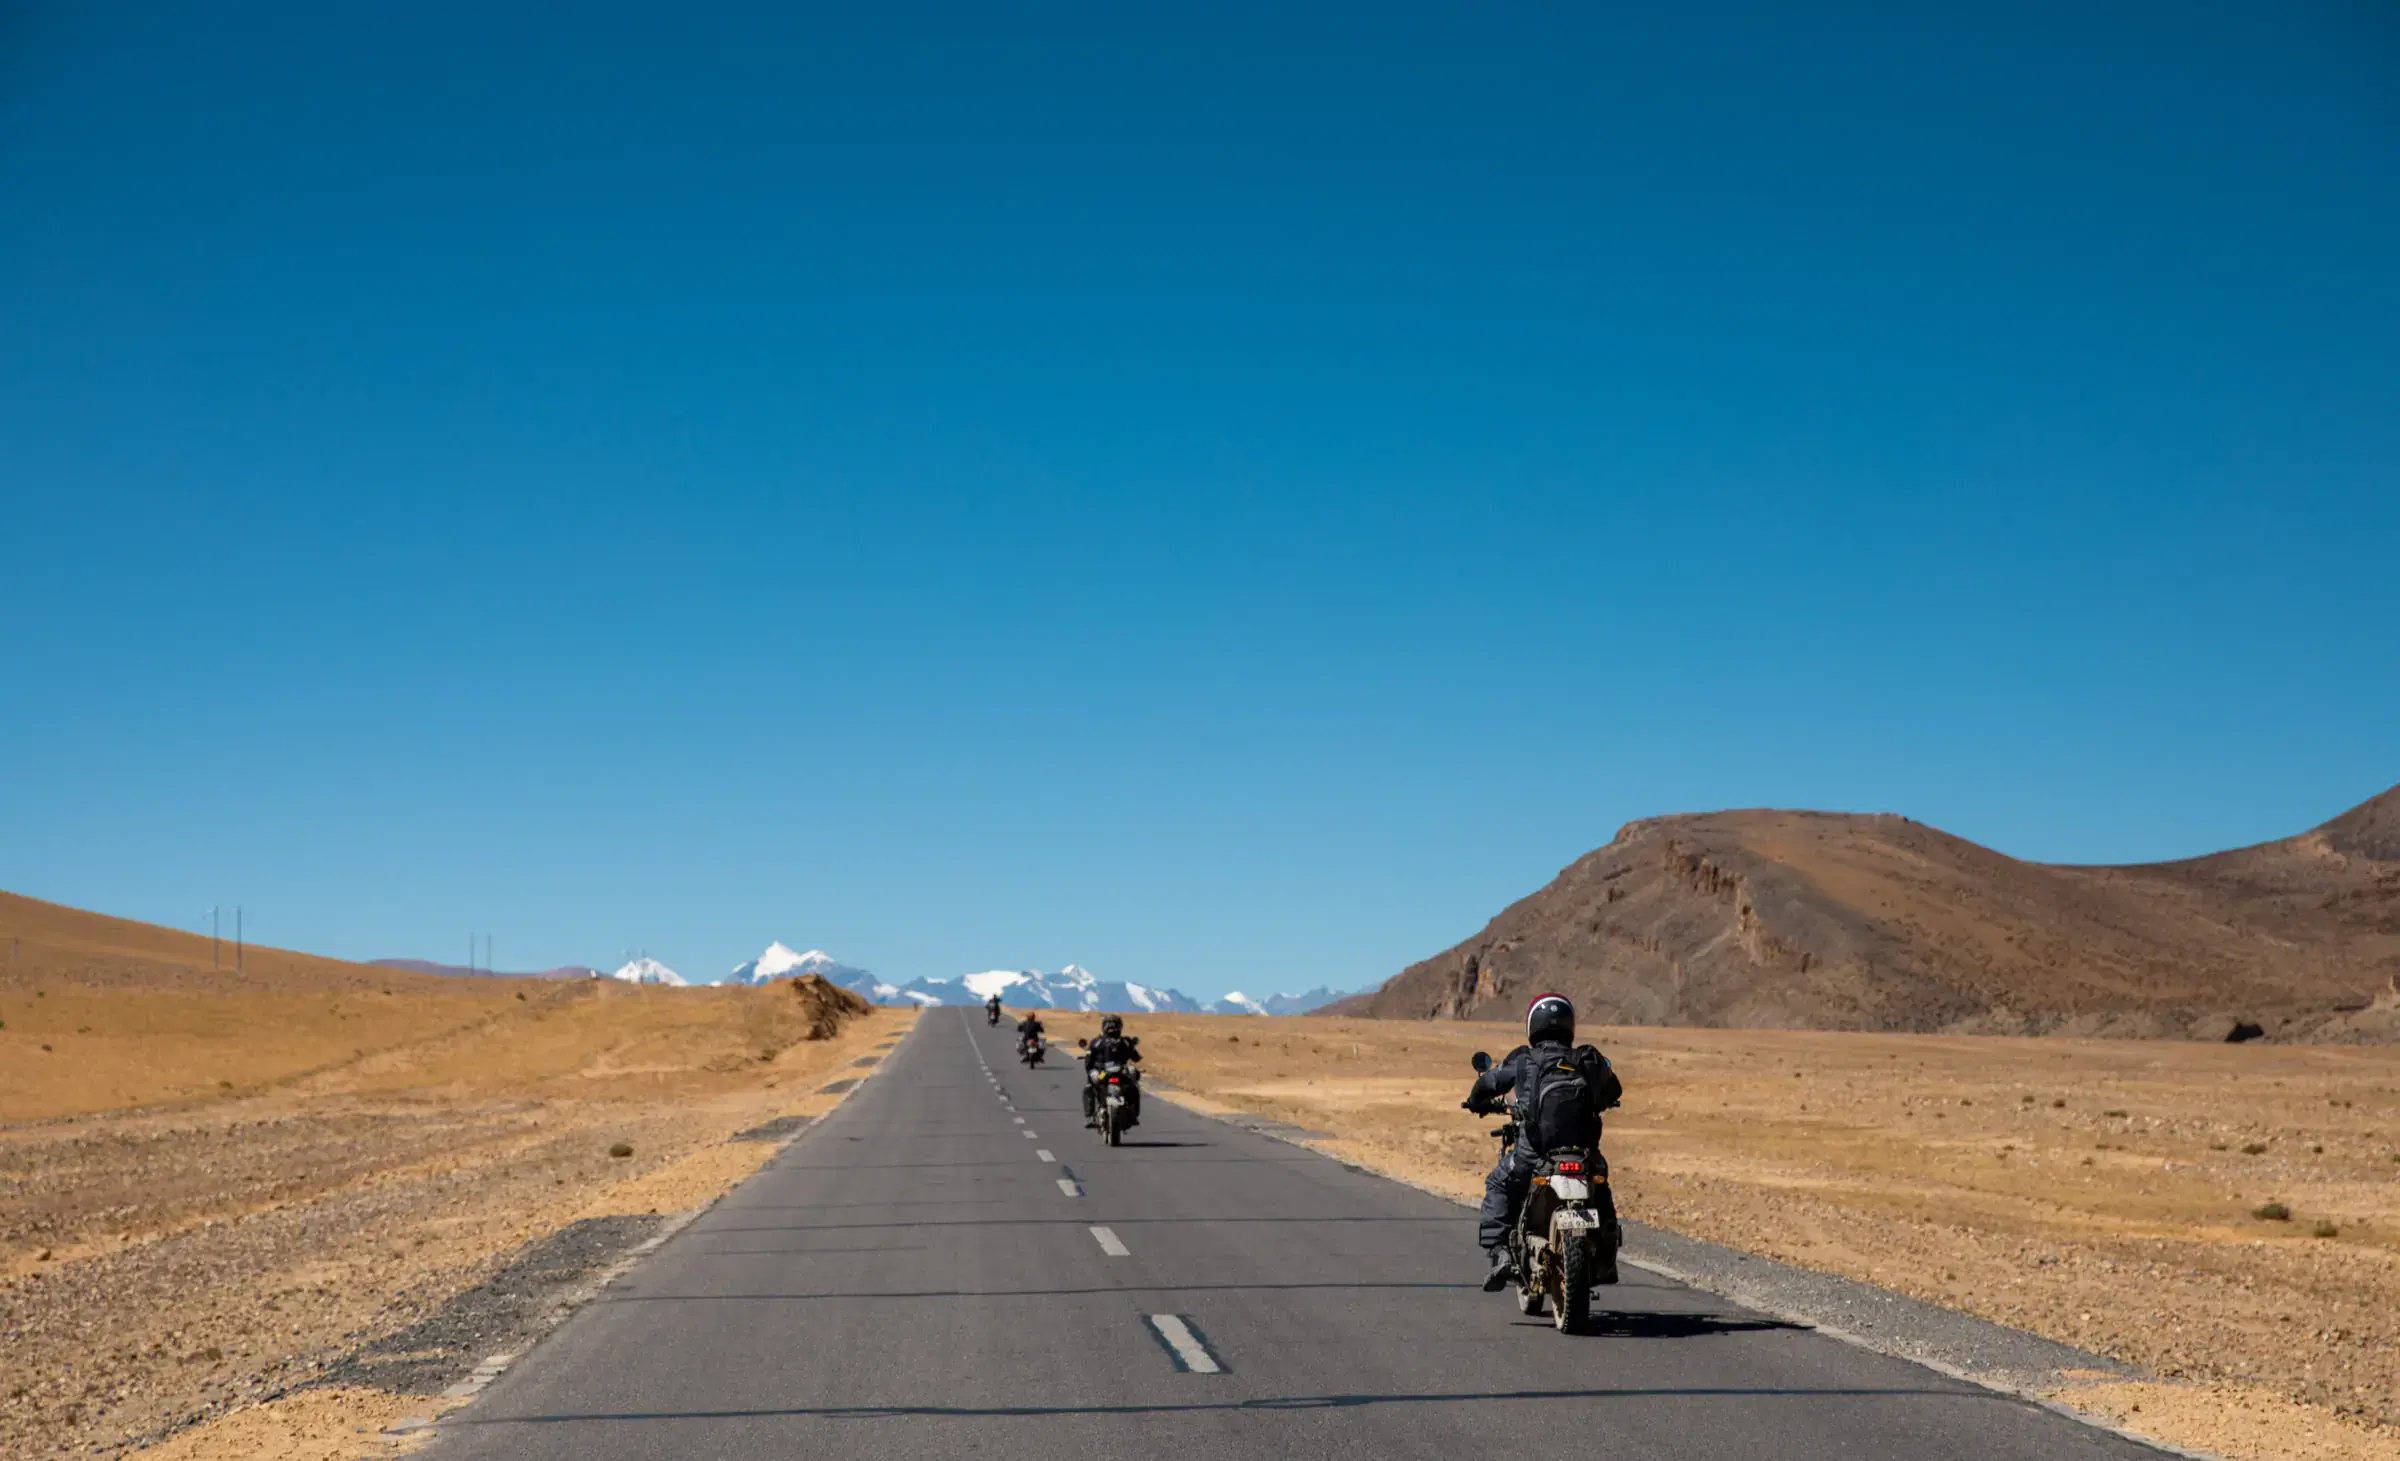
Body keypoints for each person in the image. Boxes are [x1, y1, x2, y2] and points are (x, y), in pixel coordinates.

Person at [1462, 993, 1622, 1291]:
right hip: (1585, 1155)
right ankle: (1606, 1256)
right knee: (1601, 1187)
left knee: (1499, 1184)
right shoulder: (1587, 1058)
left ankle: (1500, 1254)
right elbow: (1614, 1089)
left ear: (1533, 1025)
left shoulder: (1524, 1058)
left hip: (1534, 1154)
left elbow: (1489, 1082)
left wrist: (1475, 1102)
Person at [1081, 1014, 1141, 1127]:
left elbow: (1089, 1062)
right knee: (1090, 1086)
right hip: (1108, 1073)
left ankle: (1132, 1114)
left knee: (1133, 1086)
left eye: (1114, 1025)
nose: (1112, 1028)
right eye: (1110, 1025)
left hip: (1109, 1073)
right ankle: (1132, 1115)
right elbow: (1136, 1057)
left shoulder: (1100, 1041)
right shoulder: (1122, 1042)